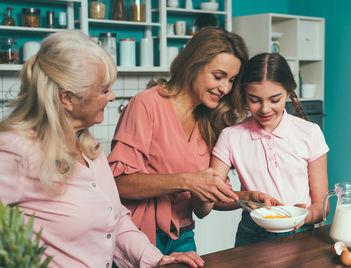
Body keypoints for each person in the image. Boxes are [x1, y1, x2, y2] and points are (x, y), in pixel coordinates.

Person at [0, 30, 204, 268]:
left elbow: (114, 218)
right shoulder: (15, 152)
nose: (112, 97)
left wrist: (155, 257)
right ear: (67, 98)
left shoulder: (89, 148)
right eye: (104, 90)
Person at [107, 27, 249, 254]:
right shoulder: (147, 104)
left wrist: (248, 199)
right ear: (193, 64)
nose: (225, 88)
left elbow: (204, 208)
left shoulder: (212, 120)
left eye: (232, 80)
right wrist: (188, 181)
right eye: (218, 76)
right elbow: (119, 183)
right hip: (137, 237)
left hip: (182, 236)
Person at [210, 52, 329, 247]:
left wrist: (304, 217)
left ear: (289, 92)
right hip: (252, 234)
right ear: (243, 94)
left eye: (274, 100)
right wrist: (247, 199)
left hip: (301, 233)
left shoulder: (310, 133)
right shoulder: (230, 137)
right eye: (255, 100)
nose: (265, 109)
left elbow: (322, 208)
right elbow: (214, 199)